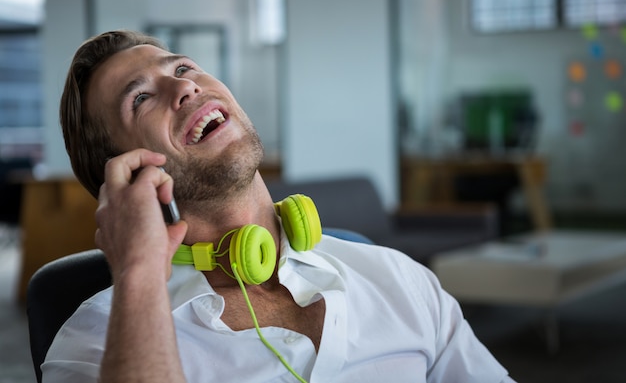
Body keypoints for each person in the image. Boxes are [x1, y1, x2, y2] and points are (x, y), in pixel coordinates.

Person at [42, 29, 515, 383]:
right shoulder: (96, 343)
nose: (183, 88)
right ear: (124, 174)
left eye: (183, 68)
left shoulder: (399, 280)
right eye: (141, 98)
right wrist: (140, 272)